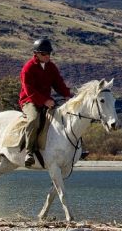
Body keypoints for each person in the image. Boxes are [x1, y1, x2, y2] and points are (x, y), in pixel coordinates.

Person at [19, 38, 72, 167]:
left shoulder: (51, 67)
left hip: (47, 102)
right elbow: (28, 90)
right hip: (29, 101)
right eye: (44, 54)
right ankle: (29, 153)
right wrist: (44, 100)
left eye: (49, 53)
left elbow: (58, 83)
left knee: (64, 118)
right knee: (34, 119)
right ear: (36, 53)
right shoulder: (28, 68)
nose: (47, 56)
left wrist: (67, 95)